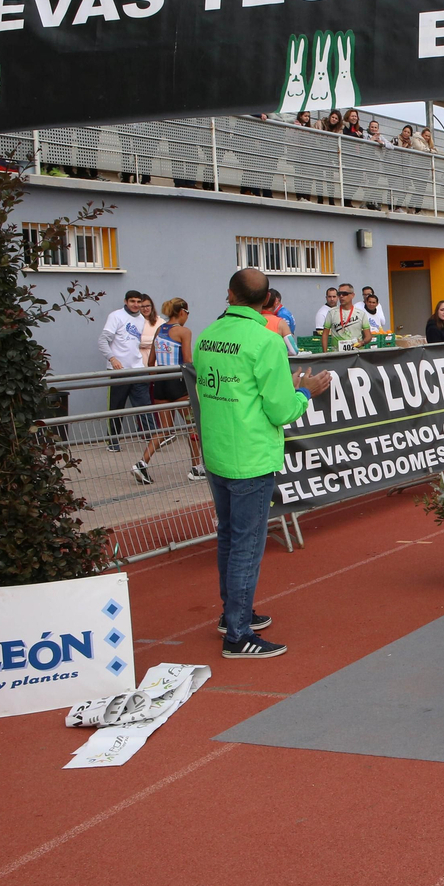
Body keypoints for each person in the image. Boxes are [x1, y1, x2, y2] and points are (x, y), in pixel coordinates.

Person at [194, 269, 332, 658]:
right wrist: (306, 391)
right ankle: (237, 635)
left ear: (229, 295)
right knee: (247, 545)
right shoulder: (266, 341)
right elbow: (281, 410)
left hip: (218, 451)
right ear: (269, 301)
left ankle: (232, 615)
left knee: (229, 538)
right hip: (251, 456)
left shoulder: (207, 336)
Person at [133, 298, 204, 484]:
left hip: (161, 383)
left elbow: (150, 362)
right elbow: (187, 360)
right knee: (193, 427)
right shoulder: (184, 331)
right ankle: (196, 468)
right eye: (188, 313)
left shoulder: (160, 329)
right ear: (182, 312)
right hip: (178, 384)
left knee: (164, 430)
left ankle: (141, 463)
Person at [99, 289, 152, 452]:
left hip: (137, 368)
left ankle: (155, 436)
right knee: (116, 407)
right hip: (119, 371)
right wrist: (112, 359)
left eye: (138, 302)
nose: (136, 305)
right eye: (132, 301)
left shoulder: (142, 319)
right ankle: (112, 441)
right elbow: (102, 341)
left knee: (144, 405)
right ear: (125, 302)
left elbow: (132, 342)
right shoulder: (116, 316)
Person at [321, 284, 372, 351]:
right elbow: (325, 334)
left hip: (356, 354)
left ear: (352, 295)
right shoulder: (332, 312)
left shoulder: (361, 314)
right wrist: (325, 353)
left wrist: (362, 342)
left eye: (344, 294)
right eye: (339, 294)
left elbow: (368, 336)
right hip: (337, 354)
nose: (341, 296)